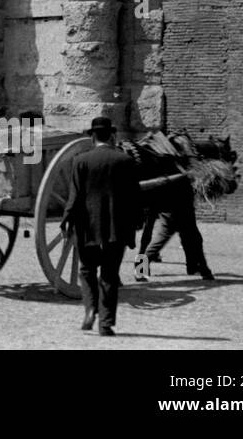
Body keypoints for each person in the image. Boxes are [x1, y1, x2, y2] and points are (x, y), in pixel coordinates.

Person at [60, 116, 140, 337]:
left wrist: (66, 220)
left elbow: (74, 197)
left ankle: (90, 309)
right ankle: (106, 324)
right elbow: (135, 198)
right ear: (112, 136)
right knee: (109, 275)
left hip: (87, 227)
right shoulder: (125, 161)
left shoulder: (80, 160)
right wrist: (136, 225)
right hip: (116, 228)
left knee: (86, 271)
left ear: (92, 136)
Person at [135, 178, 214, 281]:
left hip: (171, 204)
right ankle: (203, 270)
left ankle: (201, 270)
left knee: (193, 239)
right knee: (190, 239)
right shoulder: (175, 170)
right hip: (178, 206)